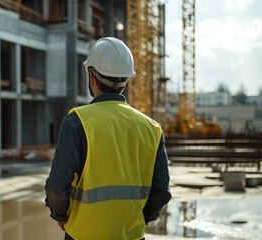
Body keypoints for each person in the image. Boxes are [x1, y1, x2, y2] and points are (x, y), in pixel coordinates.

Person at [45, 37, 171, 240]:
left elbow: (57, 187)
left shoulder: (76, 121)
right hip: (131, 236)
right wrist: (140, 219)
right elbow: (161, 190)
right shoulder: (152, 128)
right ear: (126, 80)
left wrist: (59, 215)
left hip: (82, 235)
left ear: (92, 77)